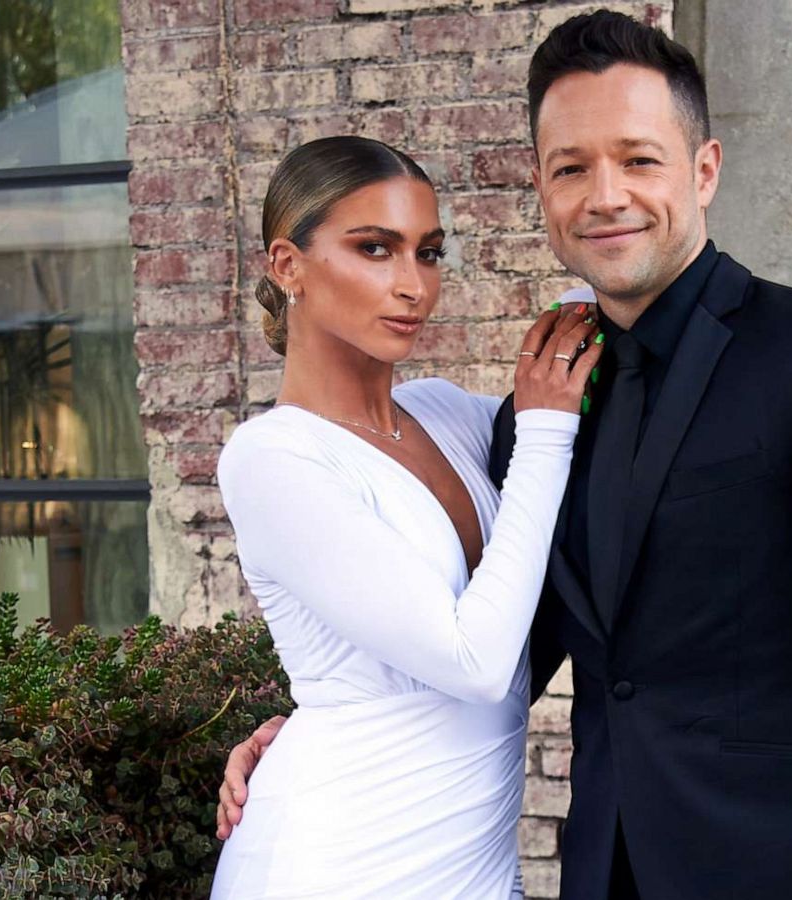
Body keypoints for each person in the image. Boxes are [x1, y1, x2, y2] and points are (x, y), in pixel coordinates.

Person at [220, 14, 792, 900]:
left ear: (703, 170)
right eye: (571, 168)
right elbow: (497, 633)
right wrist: (327, 722)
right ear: (540, 189)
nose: (605, 196)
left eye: (638, 159)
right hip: (599, 872)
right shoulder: (535, 418)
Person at [208, 135, 602, 899]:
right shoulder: (270, 458)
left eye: (428, 252)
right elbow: (474, 663)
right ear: (287, 266)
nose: (413, 284)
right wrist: (546, 428)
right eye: (375, 248)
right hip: (334, 865)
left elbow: (593, 359)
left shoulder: (447, 414)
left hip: (471, 863)